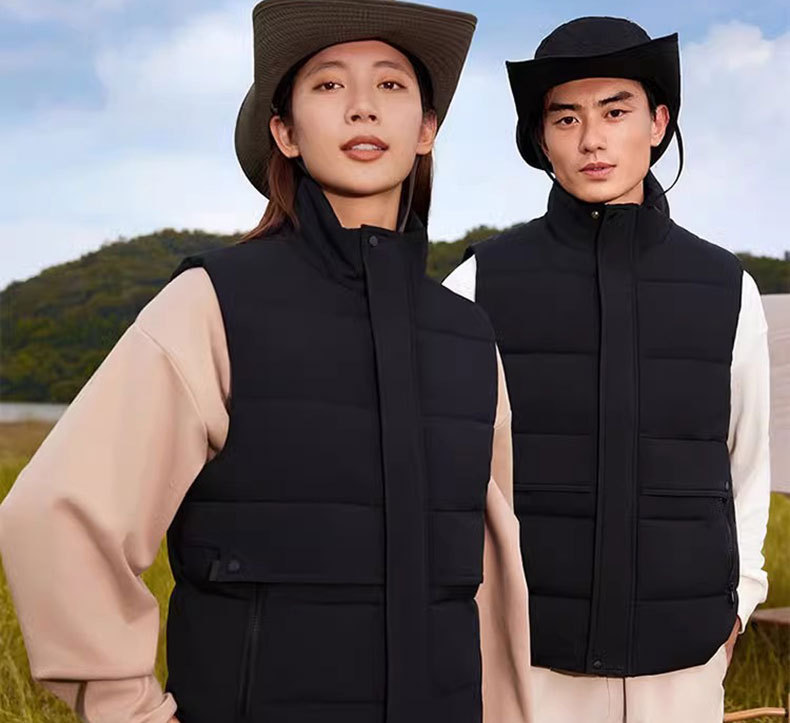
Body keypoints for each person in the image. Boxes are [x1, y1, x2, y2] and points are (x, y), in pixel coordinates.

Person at [0, 1, 534, 722]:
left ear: (426, 129)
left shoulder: (468, 336)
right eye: (328, 85)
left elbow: (491, 577)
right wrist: (127, 707)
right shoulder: (211, 302)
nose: (362, 107)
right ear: (283, 132)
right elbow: (55, 514)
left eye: (391, 84)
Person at [443, 16, 771, 723]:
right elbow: (439, 476)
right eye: (566, 118)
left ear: (658, 122)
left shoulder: (727, 289)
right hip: (528, 660)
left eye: (615, 111)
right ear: (542, 139)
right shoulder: (476, 285)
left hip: (685, 662)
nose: (591, 139)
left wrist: (740, 601)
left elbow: (746, 465)